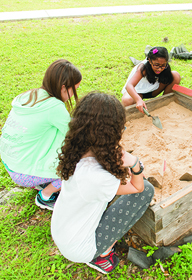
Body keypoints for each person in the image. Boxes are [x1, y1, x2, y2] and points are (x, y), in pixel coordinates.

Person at [51, 92, 154, 274]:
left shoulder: (77, 148)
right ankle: (101, 254)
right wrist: (136, 165)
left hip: (64, 229)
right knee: (146, 190)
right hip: (80, 247)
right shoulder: (97, 178)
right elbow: (137, 187)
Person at [0, 59, 82, 210]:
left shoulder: (28, 95)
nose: (72, 95)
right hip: (21, 171)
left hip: (8, 161)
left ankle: (40, 181)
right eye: (74, 90)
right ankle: (46, 195)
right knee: (79, 165)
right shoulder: (54, 106)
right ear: (64, 87)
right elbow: (75, 135)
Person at [121, 46, 181, 113]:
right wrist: (138, 100)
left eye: (163, 65)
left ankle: (164, 103)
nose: (159, 69)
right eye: (156, 65)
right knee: (127, 100)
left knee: (175, 75)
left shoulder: (165, 67)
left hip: (153, 91)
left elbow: (171, 77)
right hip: (138, 92)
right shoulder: (142, 68)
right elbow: (129, 85)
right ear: (149, 60)